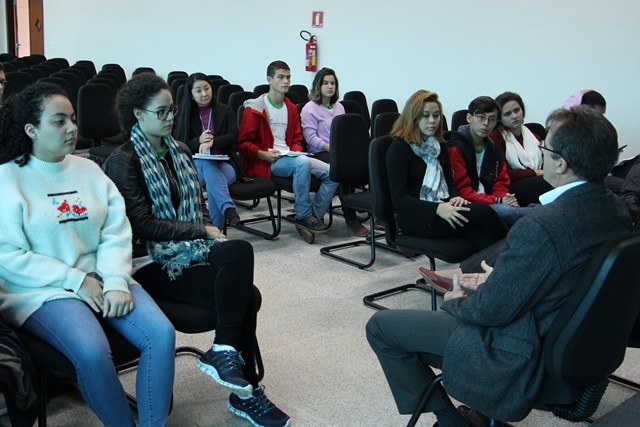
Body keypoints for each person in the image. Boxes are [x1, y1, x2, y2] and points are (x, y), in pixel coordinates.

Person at [367, 105, 632, 426]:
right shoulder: (617, 211)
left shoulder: (544, 227)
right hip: (572, 348)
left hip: (519, 352)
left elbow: (489, 311)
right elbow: (543, 283)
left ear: (561, 163)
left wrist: (458, 295)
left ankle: (451, 420)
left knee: (382, 327)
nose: (543, 155)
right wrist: (474, 282)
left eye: (546, 148)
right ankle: (478, 414)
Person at [104, 74, 290, 427]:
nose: (169, 118)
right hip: (150, 263)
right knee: (246, 296)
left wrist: (208, 232)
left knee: (237, 250)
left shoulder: (179, 151)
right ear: (137, 115)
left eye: (171, 110)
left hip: (189, 251)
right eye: (160, 112)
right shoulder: (123, 160)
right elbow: (142, 224)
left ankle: (222, 350)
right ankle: (246, 392)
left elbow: (197, 203)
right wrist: (200, 230)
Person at [0, 82, 175, 427]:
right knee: (93, 352)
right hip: (41, 289)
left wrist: (114, 281)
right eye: (59, 121)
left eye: (73, 119)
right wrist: (76, 281)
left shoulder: (90, 171)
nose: (72, 128)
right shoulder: (8, 180)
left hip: (102, 276)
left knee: (161, 335)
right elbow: (9, 256)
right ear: (31, 129)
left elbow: (115, 231)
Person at [387, 90, 506, 252]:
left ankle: (486, 268)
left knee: (483, 235)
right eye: (425, 115)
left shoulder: (439, 144)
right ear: (413, 117)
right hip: (416, 217)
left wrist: (456, 197)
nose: (432, 121)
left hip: (442, 205)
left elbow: (449, 183)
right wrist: (437, 209)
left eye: (436, 115)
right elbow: (399, 199)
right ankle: (515, 255)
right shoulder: (399, 148)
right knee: (484, 213)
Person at [238, 60, 338, 235]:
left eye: (288, 77)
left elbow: (297, 138)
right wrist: (262, 154)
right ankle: (303, 215)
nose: (286, 81)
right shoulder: (255, 109)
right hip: (268, 160)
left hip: (291, 156)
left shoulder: (291, 108)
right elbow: (244, 144)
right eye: (281, 77)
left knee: (335, 173)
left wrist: (296, 149)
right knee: (303, 164)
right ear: (269, 79)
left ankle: (313, 215)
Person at [300, 67, 369, 237]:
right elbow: (310, 137)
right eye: (325, 83)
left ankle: (373, 210)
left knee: (364, 163)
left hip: (338, 152)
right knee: (343, 169)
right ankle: (350, 217)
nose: (330, 86)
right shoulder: (309, 108)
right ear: (318, 85)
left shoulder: (339, 107)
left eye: (332, 83)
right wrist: (331, 148)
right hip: (319, 152)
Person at [448, 96, 531, 225]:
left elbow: (501, 181)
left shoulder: (493, 147)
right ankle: (541, 213)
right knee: (508, 211)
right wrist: (497, 200)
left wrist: (503, 197)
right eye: (481, 117)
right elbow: (462, 190)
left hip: (489, 200)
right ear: (469, 118)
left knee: (512, 207)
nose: (486, 123)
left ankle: (538, 211)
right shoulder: (456, 147)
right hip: (469, 203)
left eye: (491, 119)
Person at [174, 72, 241, 229]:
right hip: (197, 167)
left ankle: (215, 235)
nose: (204, 94)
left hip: (226, 164)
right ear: (191, 94)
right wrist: (198, 141)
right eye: (198, 90)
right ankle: (228, 210)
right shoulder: (185, 115)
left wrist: (212, 142)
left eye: (207, 88)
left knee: (214, 186)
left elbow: (233, 137)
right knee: (207, 163)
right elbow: (180, 144)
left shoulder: (225, 110)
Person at [491, 91, 552, 207]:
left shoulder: (534, 136)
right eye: (507, 114)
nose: (514, 116)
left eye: (516, 110)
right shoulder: (496, 138)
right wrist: (537, 173)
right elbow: (507, 173)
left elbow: (547, 161)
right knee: (548, 182)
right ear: (499, 119)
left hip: (538, 179)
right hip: (512, 187)